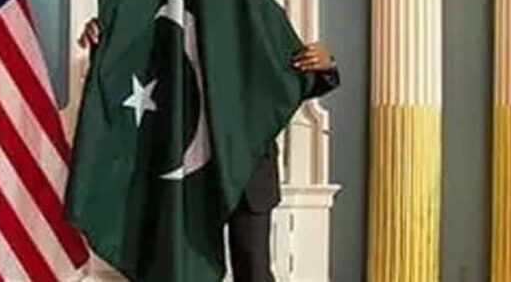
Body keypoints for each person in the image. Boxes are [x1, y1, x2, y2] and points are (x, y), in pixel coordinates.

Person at [78, 18, 340, 282]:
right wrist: (106, 37)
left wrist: (326, 65)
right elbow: (130, 68)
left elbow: (294, 79)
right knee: (184, 269)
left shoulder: (256, 20)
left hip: (250, 172)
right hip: (190, 172)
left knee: (254, 270)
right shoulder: (176, 19)